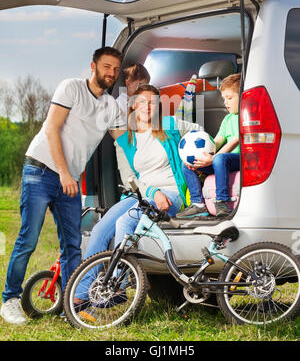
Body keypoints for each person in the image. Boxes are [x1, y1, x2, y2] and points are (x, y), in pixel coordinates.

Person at [0, 46, 126, 325]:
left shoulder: (111, 106)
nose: (112, 73)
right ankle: (9, 299)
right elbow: (52, 128)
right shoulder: (71, 88)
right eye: (107, 67)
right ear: (93, 67)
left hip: (68, 180)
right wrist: (65, 173)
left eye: (116, 69)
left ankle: (73, 304)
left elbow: (127, 144)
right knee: (28, 238)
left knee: (72, 244)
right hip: (41, 170)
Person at [74, 84, 204, 308]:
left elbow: (198, 129)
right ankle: (83, 293)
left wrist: (196, 157)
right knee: (100, 229)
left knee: (126, 221)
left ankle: (118, 286)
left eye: (153, 102)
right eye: (142, 101)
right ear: (134, 105)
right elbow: (132, 180)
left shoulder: (170, 126)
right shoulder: (129, 138)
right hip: (143, 195)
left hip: (171, 194)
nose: (147, 106)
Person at [176, 73, 241, 219]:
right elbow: (217, 141)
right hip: (221, 160)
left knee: (220, 159)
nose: (225, 103)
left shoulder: (245, 115)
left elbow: (235, 141)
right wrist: (202, 155)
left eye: (229, 98)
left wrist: (213, 159)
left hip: (239, 159)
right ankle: (198, 203)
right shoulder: (228, 119)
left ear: (242, 95)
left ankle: (221, 201)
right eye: (224, 98)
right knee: (187, 163)